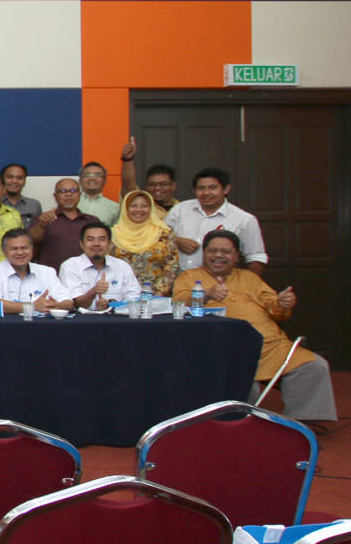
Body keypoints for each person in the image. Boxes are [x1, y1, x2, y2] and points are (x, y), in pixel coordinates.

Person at [174, 231, 336, 422]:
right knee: (240, 375)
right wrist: (206, 293)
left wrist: (282, 302)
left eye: (226, 252)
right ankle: (240, 422)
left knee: (313, 366)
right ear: (204, 253)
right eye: (213, 251)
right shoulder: (189, 277)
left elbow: (274, 307)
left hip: (270, 346)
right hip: (225, 347)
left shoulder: (249, 278)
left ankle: (301, 422)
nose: (218, 255)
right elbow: (177, 303)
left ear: (236, 256)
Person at [167, 168, 268, 273]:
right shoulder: (180, 209)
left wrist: (250, 282)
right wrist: (176, 240)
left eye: (212, 188)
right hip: (176, 278)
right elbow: (159, 236)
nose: (206, 193)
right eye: (201, 188)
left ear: (226, 189)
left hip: (219, 280)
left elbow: (255, 257)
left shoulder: (244, 220)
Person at [0, 229, 72, 314]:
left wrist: (57, 306)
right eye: (14, 249)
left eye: (24, 248)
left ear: (32, 249)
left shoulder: (47, 272)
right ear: (4, 251)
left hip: (43, 325)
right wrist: (33, 306)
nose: (20, 253)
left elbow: (68, 302)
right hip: (6, 325)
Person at [111, 190, 180, 296]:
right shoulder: (113, 234)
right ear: (125, 208)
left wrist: (160, 291)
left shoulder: (163, 233)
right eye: (133, 206)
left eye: (144, 206)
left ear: (151, 208)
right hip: (120, 295)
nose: (139, 210)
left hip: (155, 295)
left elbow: (172, 265)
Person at [59, 222, 140, 310]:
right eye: (90, 239)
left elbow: (134, 298)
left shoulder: (122, 266)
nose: (96, 243)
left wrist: (110, 305)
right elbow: (76, 305)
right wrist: (94, 291)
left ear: (109, 244)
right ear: (81, 244)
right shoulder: (70, 266)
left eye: (101, 239)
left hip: (116, 316)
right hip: (81, 317)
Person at [30, 178, 96, 272]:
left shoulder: (92, 221)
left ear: (79, 195)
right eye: (63, 191)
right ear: (55, 196)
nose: (69, 194)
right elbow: (30, 241)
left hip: (86, 276)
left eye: (73, 191)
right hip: (52, 276)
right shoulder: (43, 219)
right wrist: (42, 225)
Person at [117, 138, 181, 222]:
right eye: (152, 184)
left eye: (163, 184)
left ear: (173, 185)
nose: (157, 188)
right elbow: (128, 186)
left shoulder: (182, 209)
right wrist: (127, 160)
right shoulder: (139, 206)